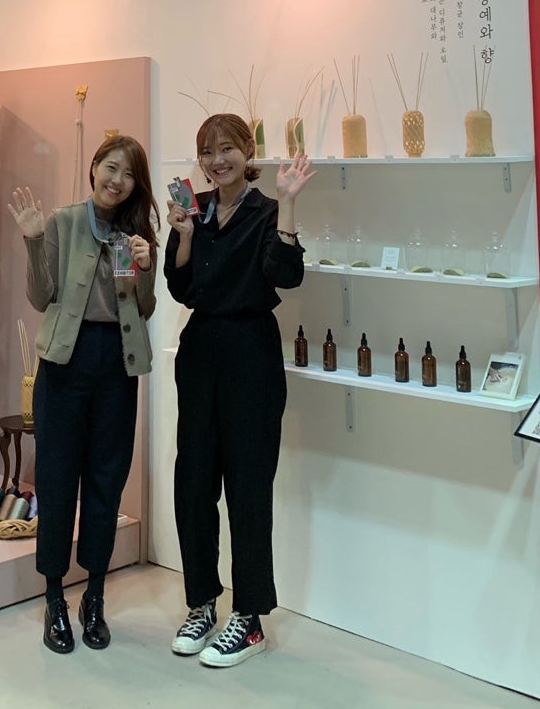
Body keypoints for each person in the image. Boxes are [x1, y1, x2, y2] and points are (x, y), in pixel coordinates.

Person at [163, 113, 313, 668]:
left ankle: (249, 618)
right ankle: (202, 602)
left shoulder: (267, 210)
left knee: (248, 486)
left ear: (247, 151)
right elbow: (180, 285)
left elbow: (285, 274)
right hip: (201, 350)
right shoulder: (195, 208)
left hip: (251, 352)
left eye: (226, 149)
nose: (217, 160)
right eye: (207, 151)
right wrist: (183, 236)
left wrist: (289, 204)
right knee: (193, 483)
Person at [8, 135, 158, 655]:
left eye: (129, 174)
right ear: (94, 168)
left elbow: (144, 307)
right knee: (56, 480)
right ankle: (54, 598)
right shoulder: (64, 222)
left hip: (117, 363)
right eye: (111, 168)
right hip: (64, 364)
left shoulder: (135, 235)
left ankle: (94, 596)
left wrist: (146, 266)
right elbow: (40, 296)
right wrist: (33, 240)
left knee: (105, 480)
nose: (118, 180)